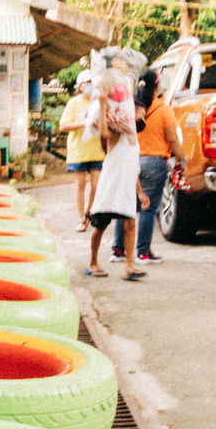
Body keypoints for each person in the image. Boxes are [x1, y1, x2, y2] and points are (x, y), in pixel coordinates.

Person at [110, 67, 186, 263]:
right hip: (154, 163)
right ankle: (143, 252)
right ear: (157, 86)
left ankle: (118, 250)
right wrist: (182, 159)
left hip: (130, 160)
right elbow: (173, 139)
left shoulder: (129, 108)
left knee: (126, 207)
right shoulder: (163, 110)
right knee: (148, 209)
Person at [85, 68, 149, 279]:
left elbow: (133, 169)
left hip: (125, 189)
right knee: (100, 226)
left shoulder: (134, 140)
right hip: (110, 187)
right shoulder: (117, 133)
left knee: (130, 224)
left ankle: (129, 267)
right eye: (141, 113)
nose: (143, 118)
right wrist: (103, 103)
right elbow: (104, 133)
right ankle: (93, 262)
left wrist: (139, 192)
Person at [58, 70, 105, 231]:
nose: (92, 86)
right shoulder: (74, 103)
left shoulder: (100, 102)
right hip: (78, 151)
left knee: (96, 185)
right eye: (88, 83)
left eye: (94, 83)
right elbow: (63, 126)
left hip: (97, 150)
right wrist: (84, 123)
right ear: (80, 86)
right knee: (80, 184)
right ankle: (80, 218)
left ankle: (88, 212)